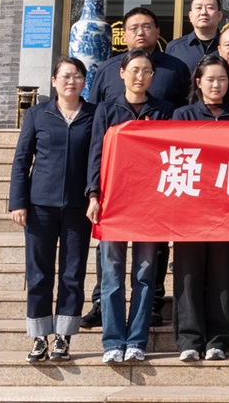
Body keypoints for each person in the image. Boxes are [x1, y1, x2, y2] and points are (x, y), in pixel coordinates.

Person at [86, 50, 173, 364]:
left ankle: (136, 340)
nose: (140, 76)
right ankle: (112, 341)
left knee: (145, 274)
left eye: (146, 70)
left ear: (153, 76)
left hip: (149, 203)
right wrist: (93, 195)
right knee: (111, 275)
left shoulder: (163, 110)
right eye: (134, 69)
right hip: (113, 201)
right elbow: (95, 154)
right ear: (122, 73)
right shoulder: (107, 109)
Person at [10, 57, 95, 364]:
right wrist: (18, 202)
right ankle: (38, 336)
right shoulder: (38, 114)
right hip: (40, 206)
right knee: (39, 273)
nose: (71, 81)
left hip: (78, 207)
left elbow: (98, 160)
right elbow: (22, 160)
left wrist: (95, 196)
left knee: (73, 274)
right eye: (66, 76)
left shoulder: (94, 115)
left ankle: (63, 336)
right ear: (54, 81)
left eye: (77, 76)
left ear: (85, 82)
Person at [171, 55, 229, 362]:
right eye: (210, 79)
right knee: (188, 274)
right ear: (198, 83)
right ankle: (189, 339)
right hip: (190, 209)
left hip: (228, 209)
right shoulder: (183, 115)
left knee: (223, 274)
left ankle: (219, 339)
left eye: (222, 79)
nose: (216, 85)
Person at [88, 6, 191, 108]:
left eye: (147, 27)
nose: (140, 33)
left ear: (157, 32)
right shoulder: (107, 69)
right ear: (124, 36)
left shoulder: (176, 68)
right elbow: (94, 111)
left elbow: (186, 111)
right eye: (133, 28)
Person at [168, 0, 223, 73]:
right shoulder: (175, 48)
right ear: (190, 16)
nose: (204, 12)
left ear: (219, 16)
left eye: (210, 8)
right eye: (198, 8)